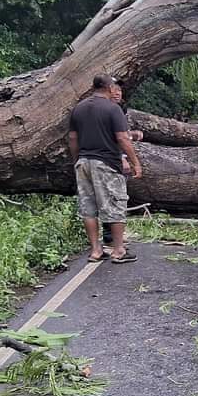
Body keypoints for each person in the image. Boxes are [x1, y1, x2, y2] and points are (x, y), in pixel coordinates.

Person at [68, 74, 142, 263]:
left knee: (88, 208)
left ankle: (95, 250)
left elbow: (73, 139)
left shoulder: (79, 108)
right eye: (114, 88)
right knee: (116, 204)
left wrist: (77, 159)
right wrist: (135, 162)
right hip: (107, 163)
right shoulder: (112, 109)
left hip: (84, 162)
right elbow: (123, 138)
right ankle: (118, 250)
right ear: (109, 88)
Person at [103, 80, 143, 245]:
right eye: (114, 89)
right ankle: (111, 237)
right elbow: (110, 138)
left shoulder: (119, 109)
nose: (118, 93)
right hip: (109, 160)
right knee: (113, 198)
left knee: (115, 198)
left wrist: (132, 134)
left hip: (108, 159)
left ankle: (112, 236)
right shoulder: (106, 110)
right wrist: (123, 158)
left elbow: (121, 134)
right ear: (107, 90)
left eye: (120, 89)